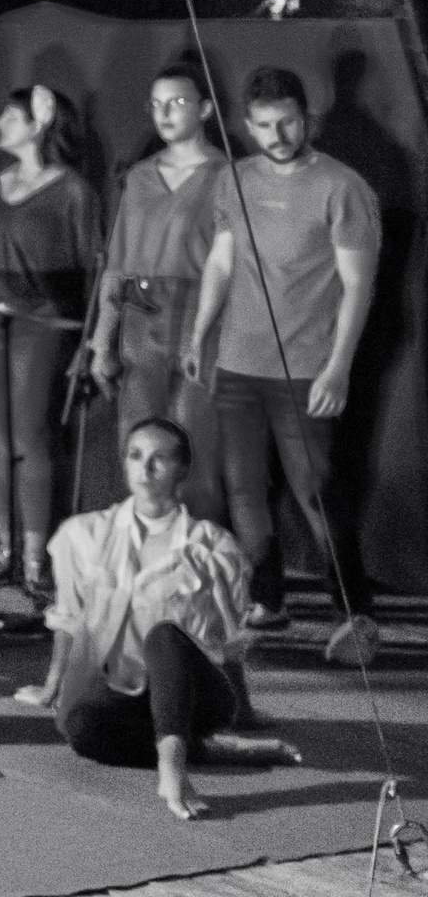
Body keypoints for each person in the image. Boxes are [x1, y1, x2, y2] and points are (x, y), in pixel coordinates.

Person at [183, 65, 382, 666]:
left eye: (288, 121)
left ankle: (354, 615)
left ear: (306, 117)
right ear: (247, 125)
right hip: (239, 362)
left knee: (315, 490)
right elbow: (221, 262)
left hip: (305, 367)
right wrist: (200, 333)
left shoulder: (342, 187)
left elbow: (359, 286)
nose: (278, 133)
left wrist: (338, 367)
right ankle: (266, 598)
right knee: (245, 487)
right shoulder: (233, 181)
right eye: (265, 125)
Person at [16, 418, 296, 820]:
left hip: (198, 693)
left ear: (182, 469)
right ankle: (205, 750)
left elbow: (227, 641)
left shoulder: (212, 546)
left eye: (159, 459)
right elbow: (69, 621)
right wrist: (50, 689)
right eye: (135, 456)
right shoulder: (85, 534)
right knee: (80, 728)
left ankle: (173, 765)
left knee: (164, 636)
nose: (144, 470)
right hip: (127, 690)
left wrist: (243, 713)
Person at [0, 85, 103, 597]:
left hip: (43, 323)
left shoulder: (74, 190)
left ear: (38, 124)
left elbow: (97, 267)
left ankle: (37, 557)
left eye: (9, 116)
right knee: (1, 436)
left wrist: (94, 339)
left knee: (33, 438)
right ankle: (8, 547)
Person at [87, 64, 227, 517]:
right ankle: (142, 564)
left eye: (178, 102)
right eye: (156, 104)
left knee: (194, 443)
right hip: (142, 318)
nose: (164, 113)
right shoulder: (142, 176)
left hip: (200, 315)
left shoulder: (227, 175)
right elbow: (118, 262)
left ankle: (194, 563)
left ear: (204, 109)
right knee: (139, 439)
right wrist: (102, 342)